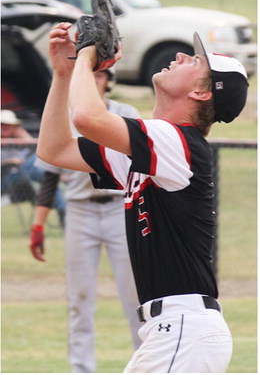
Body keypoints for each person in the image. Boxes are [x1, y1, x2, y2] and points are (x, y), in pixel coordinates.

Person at [37, 21, 248, 373]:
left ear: (202, 92)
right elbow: (54, 149)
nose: (180, 55)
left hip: (183, 330)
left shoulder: (178, 141)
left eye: (194, 61)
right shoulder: (154, 149)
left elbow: (88, 117)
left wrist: (88, 55)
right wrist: (64, 75)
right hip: (173, 332)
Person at [29, 68, 142, 373]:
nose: (95, 80)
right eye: (90, 74)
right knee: (79, 297)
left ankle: (148, 363)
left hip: (121, 209)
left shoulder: (125, 113)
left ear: (110, 80)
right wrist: (38, 224)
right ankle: (81, 369)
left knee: (136, 294)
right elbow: (50, 179)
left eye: (102, 74)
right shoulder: (64, 116)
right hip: (80, 211)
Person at [1, 109, 66, 223]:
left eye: (9, 125)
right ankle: (60, 176)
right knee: (37, 165)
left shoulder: (17, 142)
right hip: (6, 178)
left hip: (25, 175)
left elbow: (37, 149)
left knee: (48, 178)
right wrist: (10, 161)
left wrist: (22, 135)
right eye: (2, 125)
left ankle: (63, 210)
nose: (5, 128)